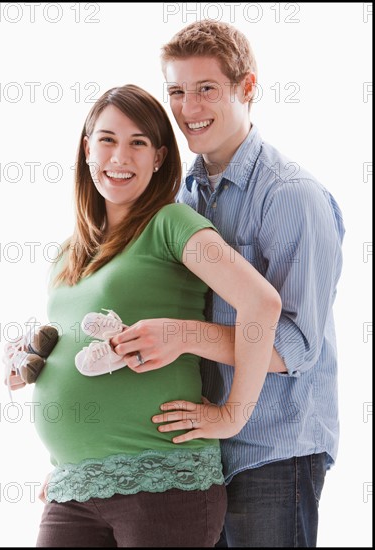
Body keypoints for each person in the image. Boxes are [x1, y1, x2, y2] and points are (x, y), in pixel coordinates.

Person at [7, 83, 281, 548]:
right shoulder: (67, 255)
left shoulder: (170, 223)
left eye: (138, 143)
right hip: (74, 487)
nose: (121, 156)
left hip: (163, 485)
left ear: (158, 158)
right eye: (108, 139)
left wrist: (234, 416)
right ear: (87, 148)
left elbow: (262, 304)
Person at [110, 21, 345, 548]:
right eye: (177, 91)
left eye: (206, 89)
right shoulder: (184, 198)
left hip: (273, 448)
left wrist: (187, 336)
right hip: (203, 451)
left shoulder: (292, 196)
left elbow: (296, 345)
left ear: (248, 88)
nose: (188, 107)